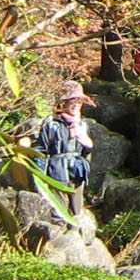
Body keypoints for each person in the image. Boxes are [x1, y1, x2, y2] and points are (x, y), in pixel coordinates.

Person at [34, 80, 94, 220]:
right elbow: (41, 150)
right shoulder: (52, 124)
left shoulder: (83, 125)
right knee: (59, 212)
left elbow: (86, 154)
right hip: (57, 171)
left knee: (76, 212)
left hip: (77, 172)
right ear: (64, 103)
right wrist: (39, 177)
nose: (75, 105)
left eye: (78, 102)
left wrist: (88, 146)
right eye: (72, 101)